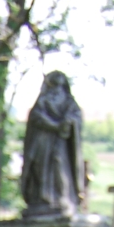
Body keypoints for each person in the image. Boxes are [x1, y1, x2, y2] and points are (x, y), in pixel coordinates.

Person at [21, 72, 85, 219]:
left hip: (61, 144)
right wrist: (54, 125)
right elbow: (36, 117)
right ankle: (42, 198)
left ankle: (61, 197)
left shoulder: (69, 103)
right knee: (40, 168)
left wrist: (69, 122)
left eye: (60, 86)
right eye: (53, 85)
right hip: (43, 141)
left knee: (59, 166)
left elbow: (75, 117)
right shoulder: (42, 101)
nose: (56, 89)